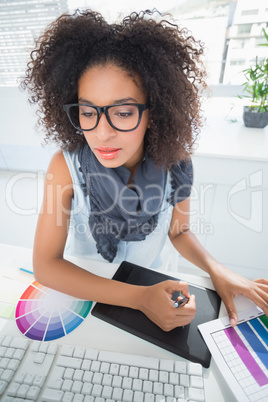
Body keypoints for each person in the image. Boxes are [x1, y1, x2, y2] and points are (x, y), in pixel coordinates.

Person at [21, 9, 268, 332]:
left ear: (154, 111)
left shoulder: (176, 161)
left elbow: (179, 231)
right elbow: (46, 265)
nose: (102, 132)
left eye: (123, 113)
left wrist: (217, 269)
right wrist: (139, 298)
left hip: (157, 284)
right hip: (87, 288)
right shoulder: (65, 166)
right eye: (87, 112)